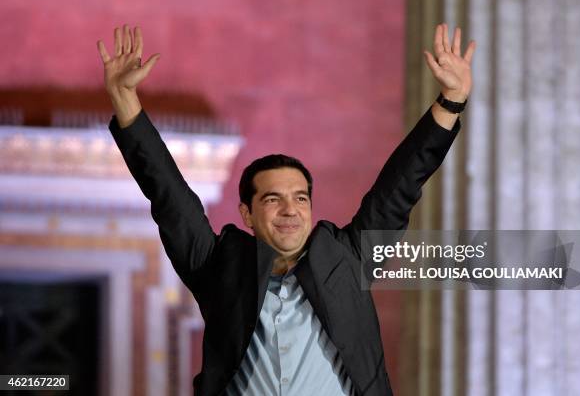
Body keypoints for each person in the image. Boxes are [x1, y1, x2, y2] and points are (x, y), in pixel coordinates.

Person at [97, 23, 475, 396]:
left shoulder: (349, 257)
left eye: (300, 197)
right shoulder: (218, 266)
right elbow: (169, 196)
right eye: (272, 199)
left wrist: (451, 101)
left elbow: (399, 188)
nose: (290, 209)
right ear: (246, 214)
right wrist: (125, 99)